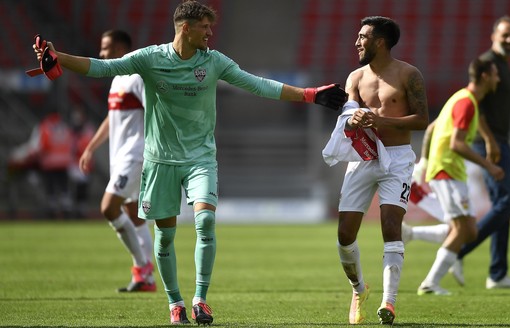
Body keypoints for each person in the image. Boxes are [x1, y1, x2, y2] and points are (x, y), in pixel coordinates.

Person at [32, 1, 346, 325]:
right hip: (160, 161)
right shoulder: (151, 58)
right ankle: (175, 303)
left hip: (200, 158)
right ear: (186, 28)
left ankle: (200, 299)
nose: (211, 33)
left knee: (205, 223)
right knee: (165, 237)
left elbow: (258, 84)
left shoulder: (214, 62)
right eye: (205, 27)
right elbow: (101, 68)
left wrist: (310, 94)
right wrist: (60, 59)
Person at [335, 16, 429, 326]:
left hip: (399, 158)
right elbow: (348, 115)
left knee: (390, 224)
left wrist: (382, 121)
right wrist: (352, 120)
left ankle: (389, 303)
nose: (357, 42)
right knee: (344, 234)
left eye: (363, 36)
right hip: (363, 157)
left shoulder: (408, 74)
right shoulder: (355, 77)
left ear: (380, 42)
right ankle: (359, 289)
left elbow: (421, 120)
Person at [454, 16, 510, 290]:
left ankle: (497, 273)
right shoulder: (488, 63)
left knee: (504, 205)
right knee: (508, 203)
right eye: (505, 35)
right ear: (493, 36)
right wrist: (489, 141)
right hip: (490, 142)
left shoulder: (503, 64)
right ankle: (456, 252)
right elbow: (476, 104)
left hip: (499, 140)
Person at [416, 58, 503, 296]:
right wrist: (489, 166)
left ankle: (410, 234)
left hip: (447, 169)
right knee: (463, 230)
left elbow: (433, 128)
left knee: (469, 230)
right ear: (485, 76)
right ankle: (430, 283)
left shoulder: (459, 98)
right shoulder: (467, 103)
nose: (498, 78)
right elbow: (457, 144)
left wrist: (424, 160)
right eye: (495, 74)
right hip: (447, 170)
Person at [78, 30, 156, 292]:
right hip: (120, 155)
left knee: (108, 207)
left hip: (136, 155)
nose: (101, 54)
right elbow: (112, 119)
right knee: (132, 214)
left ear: (122, 48)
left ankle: (142, 266)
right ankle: (146, 280)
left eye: (106, 48)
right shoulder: (117, 79)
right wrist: (90, 147)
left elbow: (155, 112)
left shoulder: (137, 77)